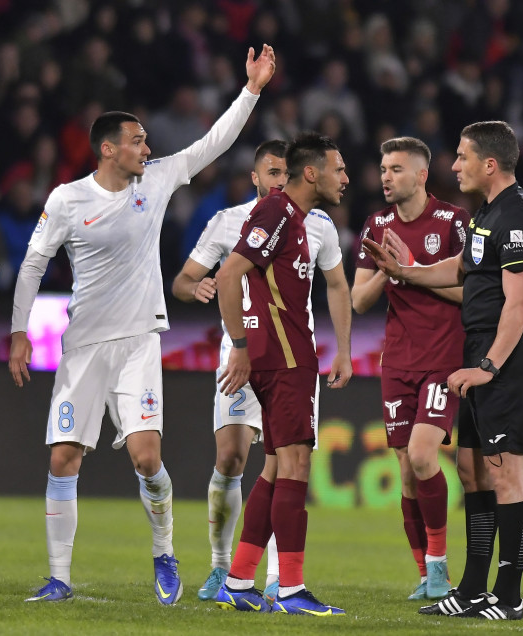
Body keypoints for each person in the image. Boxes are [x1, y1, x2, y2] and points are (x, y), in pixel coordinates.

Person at [8, 45, 276, 606]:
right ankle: (59, 576)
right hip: (81, 345)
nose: (147, 149)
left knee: (147, 457)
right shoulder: (66, 199)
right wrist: (18, 332)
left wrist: (250, 89)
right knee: (63, 457)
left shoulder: (154, 182)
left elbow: (212, 145)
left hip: (138, 343)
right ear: (108, 149)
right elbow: (33, 264)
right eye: (137, 141)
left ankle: (164, 552)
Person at [363, 121, 523, 621]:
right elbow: (462, 268)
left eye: (463, 157)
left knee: (507, 474)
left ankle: (508, 595)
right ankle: (470, 588)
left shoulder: (517, 217)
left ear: (489, 164)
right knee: (471, 471)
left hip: (499, 356)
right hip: (479, 351)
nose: (455, 165)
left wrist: (488, 365)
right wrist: (404, 272)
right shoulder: (489, 212)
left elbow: (520, 301)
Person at [171, 139, 352, 603]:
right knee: (295, 466)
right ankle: (291, 587)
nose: (345, 178)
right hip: (283, 358)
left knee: (273, 468)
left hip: (283, 355)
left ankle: (238, 579)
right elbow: (229, 274)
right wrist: (240, 346)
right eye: (338, 169)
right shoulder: (276, 213)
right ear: (311, 173)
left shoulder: (297, 219)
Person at [351, 136, 470, 601]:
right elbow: (359, 301)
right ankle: (424, 574)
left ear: (421, 175)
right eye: (383, 168)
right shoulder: (376, 224)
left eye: (396, 168)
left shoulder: (453, 221)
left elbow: (471, 292)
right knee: (405, 469)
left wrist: (413, 267)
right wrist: (387, 268)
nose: (386, 176)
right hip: (397, 361)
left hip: (442, 359)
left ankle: (439, 566)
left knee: (423, 456)